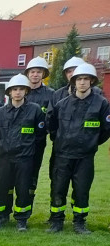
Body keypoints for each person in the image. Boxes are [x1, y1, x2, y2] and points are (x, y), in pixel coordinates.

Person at [46, 63, 110, 234]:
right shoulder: (62, 104)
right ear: (74, 82)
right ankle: (56, 222)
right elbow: (52, 126)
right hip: (63, 155)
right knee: (58, 189)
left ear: (91, 81)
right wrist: (60, 141)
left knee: (82, 190)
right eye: (79, 79)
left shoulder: (101, 104)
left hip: (85, 157)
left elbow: (106, 129)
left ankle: (79, 222)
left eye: (85, 79)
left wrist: (91, 143)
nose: (82, 82)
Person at [0, 74, 45, 232]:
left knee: (23, 189)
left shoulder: (35, 111)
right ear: (9, 92)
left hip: (24, 158)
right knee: (0, 189)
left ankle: (21, 220)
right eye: (14, 89)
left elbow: (40, 137)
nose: (18, 92)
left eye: (21, 89)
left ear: (26, 91)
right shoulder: (0, 112)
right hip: (4, 158)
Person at [23, 57, 56, 198]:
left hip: (38, 142)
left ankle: (26, 207)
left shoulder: (51, 94)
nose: (35, 74)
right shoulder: (21, 90)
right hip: (20, 140)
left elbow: (52, 117)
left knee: (32, 174)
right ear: (28, 74)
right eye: (32, 72)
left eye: (38, 72)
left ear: (43, 74)